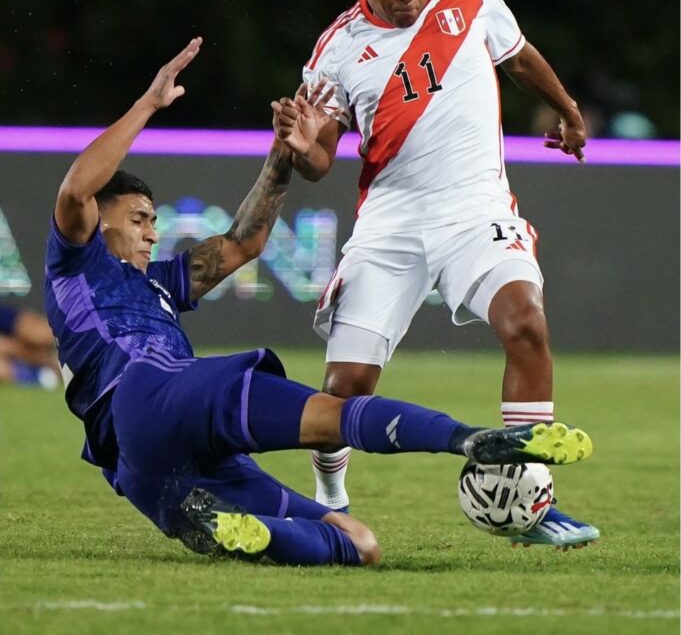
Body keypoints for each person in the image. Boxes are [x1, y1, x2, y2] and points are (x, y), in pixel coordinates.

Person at [44, 37, 592, 566]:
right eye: (138, 218)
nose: (150, 232)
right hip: (149, 390)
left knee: (359, 543)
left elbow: (244, 243)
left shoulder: (160, 283)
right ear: (101, 218)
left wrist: (284, 150)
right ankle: (470, 439)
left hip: (143, 465)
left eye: (155, 222)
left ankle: (225, 525)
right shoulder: (77, 263)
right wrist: (149, 102)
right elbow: (75, 189)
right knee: (330, 415)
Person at [272, 0, 599, 549]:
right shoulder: (337, 48)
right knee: (346, 388)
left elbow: (519, 54)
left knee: (526, 323)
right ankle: (329, 497)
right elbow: (316, 160)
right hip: (390, 223)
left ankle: (531, 503)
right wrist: (301, 144)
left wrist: (566, 109)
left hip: (474, 209)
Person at [0, 304, 60, 387]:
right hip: (11, 361)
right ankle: (34, 374)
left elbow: (22, 322)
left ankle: (60, 359)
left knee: (34, 333)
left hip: (18, 334)